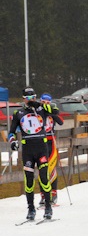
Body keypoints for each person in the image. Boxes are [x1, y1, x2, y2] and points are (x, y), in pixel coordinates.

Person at [7, 88, 63, 221]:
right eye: (28, 97)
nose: (30, 99)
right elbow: (12, 132)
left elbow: (55, 112)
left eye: (33, 96)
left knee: (44, 178)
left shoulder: (41, 109)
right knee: (29, 181)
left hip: (41, 147)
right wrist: (12, 141)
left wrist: (39, 104)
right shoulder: (18, 113)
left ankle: (48, 207)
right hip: (27, 149)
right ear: (23, 98)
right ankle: (31, 208)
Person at [39, 93, 62, 206]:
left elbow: (61, 122)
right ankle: (43, 195)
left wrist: (51, 113)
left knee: (52, 168)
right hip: (40, 142)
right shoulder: (37, 111)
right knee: (41, 169)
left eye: (47, 103)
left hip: (51, 141)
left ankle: (53, 193)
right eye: (43, 102)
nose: (45, 104)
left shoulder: (53, 110)